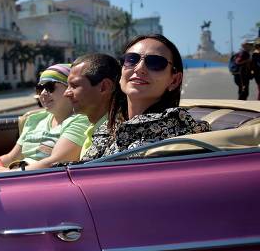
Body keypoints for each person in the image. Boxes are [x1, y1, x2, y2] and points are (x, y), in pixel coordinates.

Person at [82, 34, 210, 160]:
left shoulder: (178, 131)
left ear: (174, 81)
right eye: (131, 59)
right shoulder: (111, 126)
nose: (139, 68)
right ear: (121, 71)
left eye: (155, 62)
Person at [0, 64, 90, 174]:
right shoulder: (34, 119)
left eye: (50, 87)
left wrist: (7, 173)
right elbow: (11, 157)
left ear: (69, 89)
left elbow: (56, 163)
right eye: (39, 88)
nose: (42, 93)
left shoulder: (80, 120)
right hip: (19, 173)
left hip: (42, 181)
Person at [63, 54, 121, 160]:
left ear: (104, 87)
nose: (66, 93)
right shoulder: (97, 127)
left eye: (74, 86)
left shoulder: (118, 135)